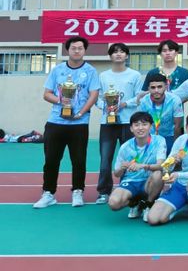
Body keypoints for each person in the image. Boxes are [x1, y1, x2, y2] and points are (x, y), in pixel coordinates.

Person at [34, 36, 101, 209]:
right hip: (56, 121)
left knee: (78, 160)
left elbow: (93, 95)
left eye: (80, 48)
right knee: (51, 160)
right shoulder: (57, 70)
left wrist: (80, 113)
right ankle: (48, 193)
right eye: (73, 48)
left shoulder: (91, 71)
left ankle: (78, 191)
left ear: (84, 50)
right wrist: (60, 100)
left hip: (79, 123)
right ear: (68, 50)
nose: (77, 51)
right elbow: (46, 94)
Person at [96, 43, 142, 204]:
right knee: (105, 159)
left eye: (122, 52)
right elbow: (97, 97)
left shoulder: (135, 75)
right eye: (115, 52)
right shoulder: (103, 76)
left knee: (129, 158)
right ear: (110, 56)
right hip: (107, 123)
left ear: (127, 56)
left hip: (128, 123)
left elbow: (138, 97)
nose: (119, 54)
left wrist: (124, 104)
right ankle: (104, 191)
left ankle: (127, 188)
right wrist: (106, 107)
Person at [107, 112, 167, 222]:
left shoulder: (159, 141)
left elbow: (161, 165)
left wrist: (143, 166)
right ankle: (134, 203)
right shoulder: (125, 147)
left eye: (144, 124)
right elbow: (116, 174)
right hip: (131, 181)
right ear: (131, 128)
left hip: (149, 181)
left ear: (150, 126)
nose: (140, 128)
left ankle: (148, 204)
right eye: (136, 125)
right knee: (113, 203)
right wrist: (122, 167)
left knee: (158, 174)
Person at [137, 73, 184, 152]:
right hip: (150, 137)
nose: (156, 90)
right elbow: (141, 123)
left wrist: (175, 146)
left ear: (165, 86)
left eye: (159, 87)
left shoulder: (175, 100)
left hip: (170, 136)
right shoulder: (144, 101)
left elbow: (177, 125)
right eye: (153, 87)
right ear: (148, 88)